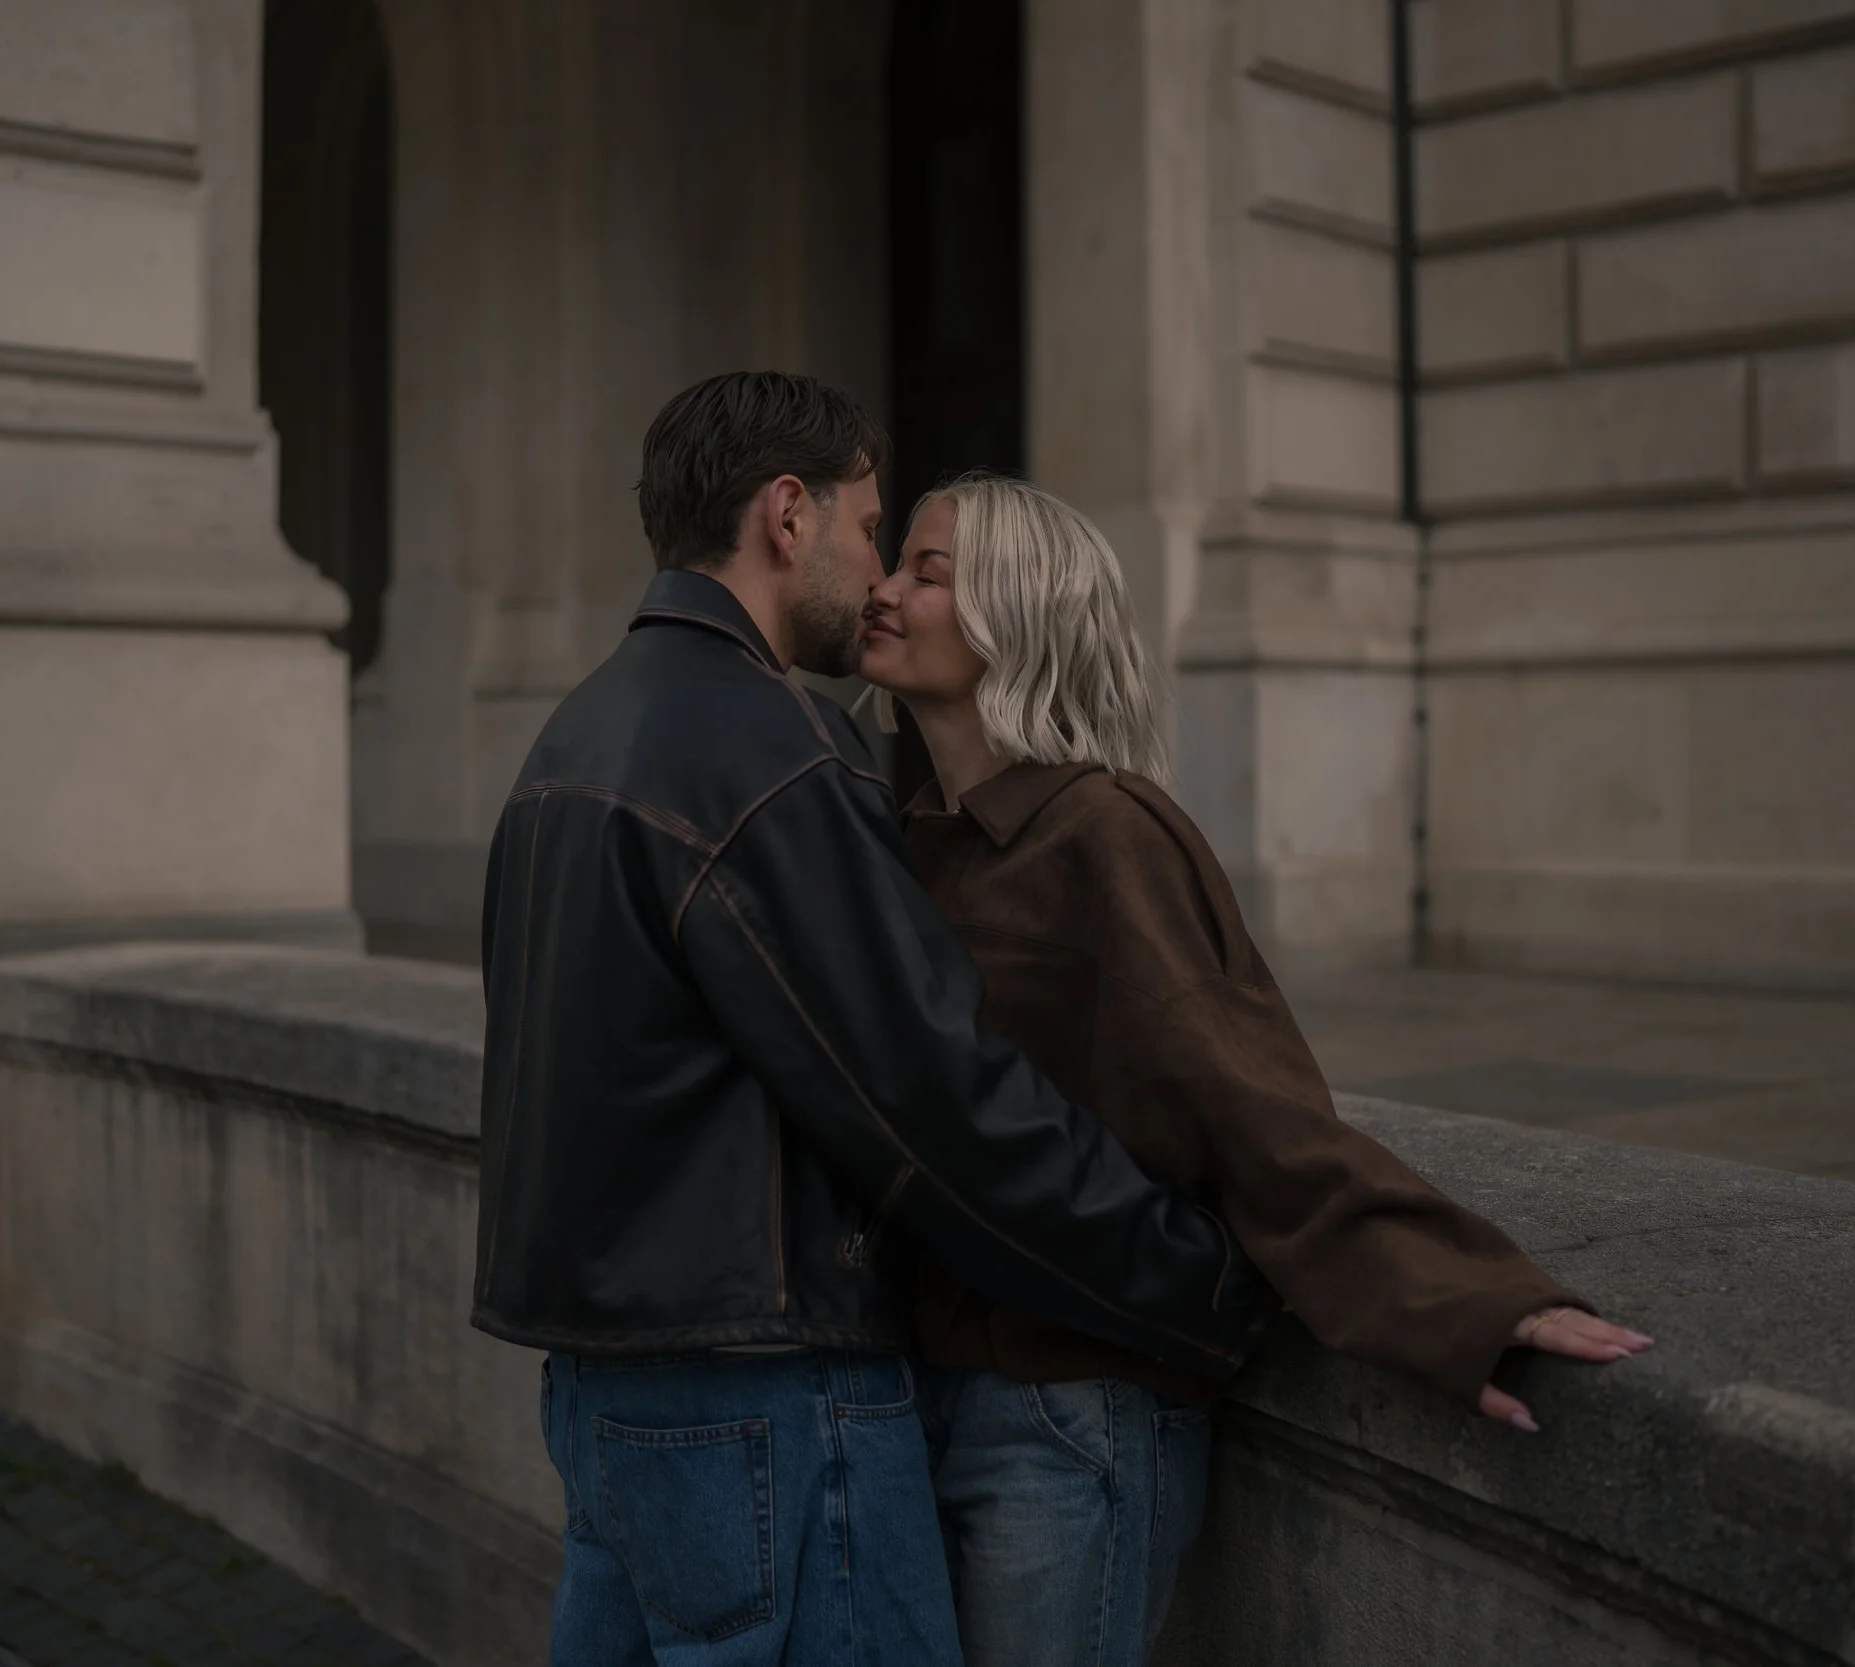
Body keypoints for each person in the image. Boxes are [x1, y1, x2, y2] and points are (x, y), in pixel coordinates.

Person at [473, 374, 1274, 1667]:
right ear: (787, 513)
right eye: (866, 527)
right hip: (763, 1391)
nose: (876, 573)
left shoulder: (573, 734)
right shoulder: (773, 747)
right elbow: (930, 1097)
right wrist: (1193, 1283)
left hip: (599, 1389)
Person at [856, 474, 1653, 1667]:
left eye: (926, 572)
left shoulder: (1106, 831)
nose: (881, 589)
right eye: (897, 562)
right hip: (928, 1388)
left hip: (1069, 1417)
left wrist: (1464, 1300)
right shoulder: (907, 838)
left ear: (1013, 616)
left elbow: (1249, 1100)